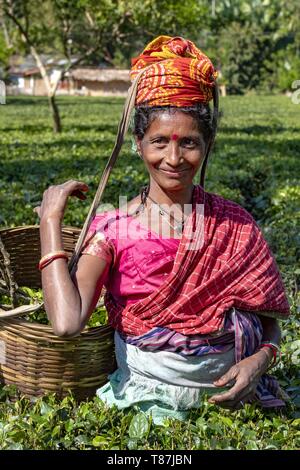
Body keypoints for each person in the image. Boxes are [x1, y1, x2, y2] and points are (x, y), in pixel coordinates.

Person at [35, 36, 290, 425]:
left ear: (207, 145)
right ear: (138, 144)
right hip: (147, 400)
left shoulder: (234, 223)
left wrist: (260, 359)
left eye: (189, 143)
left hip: (236, 401)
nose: (173, 158)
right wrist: (50, 222)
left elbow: (267, 320)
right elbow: (68, 323)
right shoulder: (114, 229)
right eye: (158, 142)